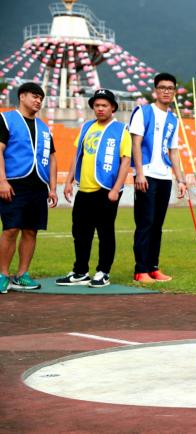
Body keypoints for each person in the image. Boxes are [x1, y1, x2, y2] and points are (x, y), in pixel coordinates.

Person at [55, 89, 131, 288]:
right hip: (84, 189)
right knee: (80, 232)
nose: (100, 109)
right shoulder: (87, 127)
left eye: (104, 105)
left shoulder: (121, 130)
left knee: (105, 232)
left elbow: (125, 162)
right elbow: (77, 155)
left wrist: (115, 189)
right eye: (97, 105)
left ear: (112, 108)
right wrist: (69, 181)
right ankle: (80, 271)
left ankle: (103, 272)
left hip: (106, 189)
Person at [129, 72, 187, 283]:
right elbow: (136, 143)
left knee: (157, 224)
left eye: (170, 88)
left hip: (164, 176)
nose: (166, 91)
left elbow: (174, 151)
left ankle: (153, 267)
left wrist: (180, 180)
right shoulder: (143, 112)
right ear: (155, 90)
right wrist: (139, 173)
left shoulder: (173, 119)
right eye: (162, 87)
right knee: (145, 222)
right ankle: (140, 270)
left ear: (174, 92)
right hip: (146, 175)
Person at [0, 82, 58, 293]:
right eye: (34, 96)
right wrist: (2, 181)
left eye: (41, 98)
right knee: (10, 229)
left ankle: (22, 274)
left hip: (39, 186)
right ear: (22, 96)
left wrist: (53, 188)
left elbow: (52, 158)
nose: (38, 101)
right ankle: (3, 274)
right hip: (14, 184)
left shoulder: (44, 128)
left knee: (31, 231)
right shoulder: (6, 119)